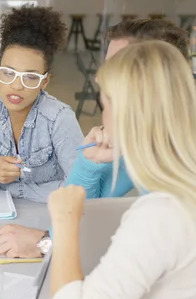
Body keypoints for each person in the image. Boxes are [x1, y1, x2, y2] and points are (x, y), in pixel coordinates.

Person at [0, 18, 191, 259]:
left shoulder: (174, 177)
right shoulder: (145, 141)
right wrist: (88, 164)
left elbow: (130, 258)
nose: (103, 84)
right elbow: (93, 216)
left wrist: (45, 244)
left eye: (120, 71)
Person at [49, 40, 196, 299]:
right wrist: (89, 165)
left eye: (105, 105)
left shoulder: (161, 214)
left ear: (127, 113)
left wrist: (64, 222)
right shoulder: (176, 190)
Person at [0, 5, 82, 206]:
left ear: (44, 81)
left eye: (30, 77)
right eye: (8, 73)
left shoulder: (59, 118)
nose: (16, 86)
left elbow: (81, 188)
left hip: (48, 218)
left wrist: (20, 191)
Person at [66, 19, 190, 198]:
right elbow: (80, 210)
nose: (99, 79)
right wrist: (89, 163)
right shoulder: (133, 138)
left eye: (115, 68)